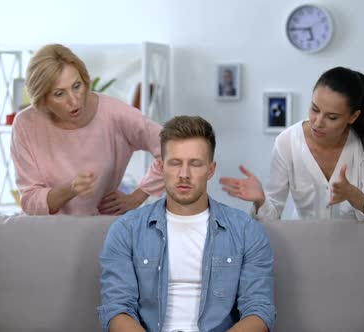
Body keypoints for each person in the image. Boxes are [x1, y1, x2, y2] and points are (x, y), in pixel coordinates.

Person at [99, 116, 275, 332]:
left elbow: (259, 310)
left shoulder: (246, 231)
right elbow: (117, 309)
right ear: (161, 166)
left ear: (211, 170)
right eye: (175, 163)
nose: (184, 174)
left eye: (195, 163)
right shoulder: (126, 230)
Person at [220, 66, 364, 221]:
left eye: (332, 117)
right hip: (305, 246)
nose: (318, 122)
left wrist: (352, 194)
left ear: (353, 117)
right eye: (314, 109)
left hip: (355, 249)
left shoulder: (361, 144)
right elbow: (271, 217)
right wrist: (260, 200)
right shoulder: (286, 142)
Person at [11, 44, 164, 216]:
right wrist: (71, 189)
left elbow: (171, 148)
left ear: (84, 80)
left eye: (77, 86)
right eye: (59, 94)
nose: (74, 101)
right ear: (42, 99)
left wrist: (137, 197)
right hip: (44, 232)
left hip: (99, 230)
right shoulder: (26, 124)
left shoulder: (114, 113)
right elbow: (30, 201)